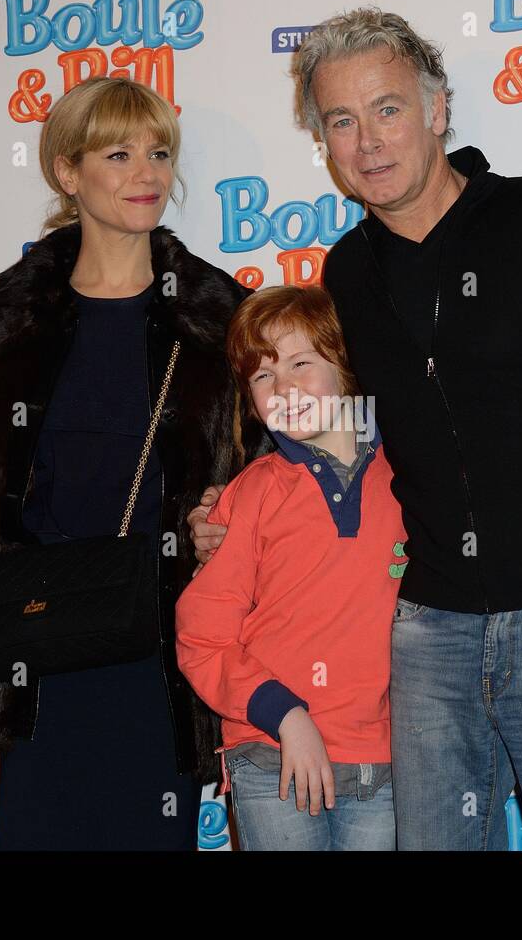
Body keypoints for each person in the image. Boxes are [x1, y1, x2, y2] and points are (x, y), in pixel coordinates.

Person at [192, 7, 522, 851]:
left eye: (387, 109)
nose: (367, 142)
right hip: (427, 635)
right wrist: (234, 503)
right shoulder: (349, 271)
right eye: (341, 122)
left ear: (437, 110)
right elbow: (336, 421)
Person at [0, 76, 271, 850]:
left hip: (166, 648)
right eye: (120, 154)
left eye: (159, 153)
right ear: (68, 171)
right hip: (39, 640)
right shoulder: (10, 317)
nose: (148, 174)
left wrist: (231, 525)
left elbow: (287, 478)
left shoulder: (218, 316)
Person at [175, 284, 402, 850]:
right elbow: (203, 636)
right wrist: (286, 715)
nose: (284, 388)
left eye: (302, 363)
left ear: (345, 367)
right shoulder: (250, 495)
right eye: (262, 376)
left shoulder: (413, 480)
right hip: (271, 752)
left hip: (390, 759)